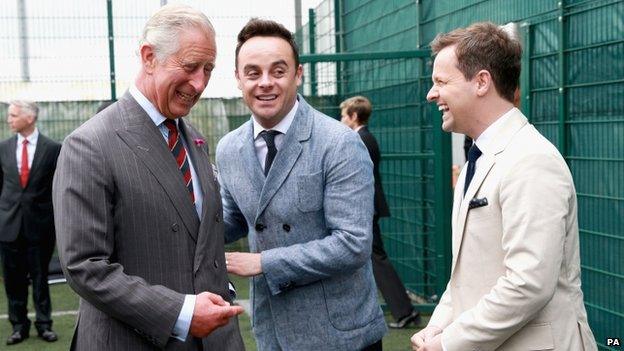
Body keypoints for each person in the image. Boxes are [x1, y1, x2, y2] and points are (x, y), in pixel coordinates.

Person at [52, 4, 244, 350]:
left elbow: (203, 238)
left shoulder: (193, 138)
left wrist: (221, 291)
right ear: (149, 57)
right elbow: (85, 266)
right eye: (189, 66)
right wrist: (182, 312)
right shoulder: (89, 145)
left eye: (208, 69)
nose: (199, 83)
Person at [411, 22, 597, 351]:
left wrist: (449, 341)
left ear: (482, 82)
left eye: (440, 82)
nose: (431, 93)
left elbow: (529, 284)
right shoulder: (478, 158)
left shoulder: (530, 159)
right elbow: (466, 275)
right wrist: (438, 325)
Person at [217, 19, 387, 350]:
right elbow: (233, 219)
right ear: (238, 79)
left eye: (278, 71)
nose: (265, 83)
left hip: (342, 336)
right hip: (274, 332)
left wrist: (264, 263)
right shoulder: (229, 148)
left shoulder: (339, 143)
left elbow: (352, 244)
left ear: (298, 75)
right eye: (253, 73)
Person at [339, 96, 421, 329]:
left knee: (377, 260)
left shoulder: (361, 140)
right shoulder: (364, 138)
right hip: (366, 208)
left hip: (365, 209)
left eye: (345, 115)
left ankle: (405, 312)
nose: (342, 119)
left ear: (354, 116)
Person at [0, 100, 61, 345]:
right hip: (9, 226)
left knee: (40, 278)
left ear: (30, 118)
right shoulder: (3, 148)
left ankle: (44, 325)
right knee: (13, 280)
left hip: (40, 227)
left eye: (13, 115)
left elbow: (56, 187)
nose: (9, 120)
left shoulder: (52, 148)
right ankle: (18, 327)